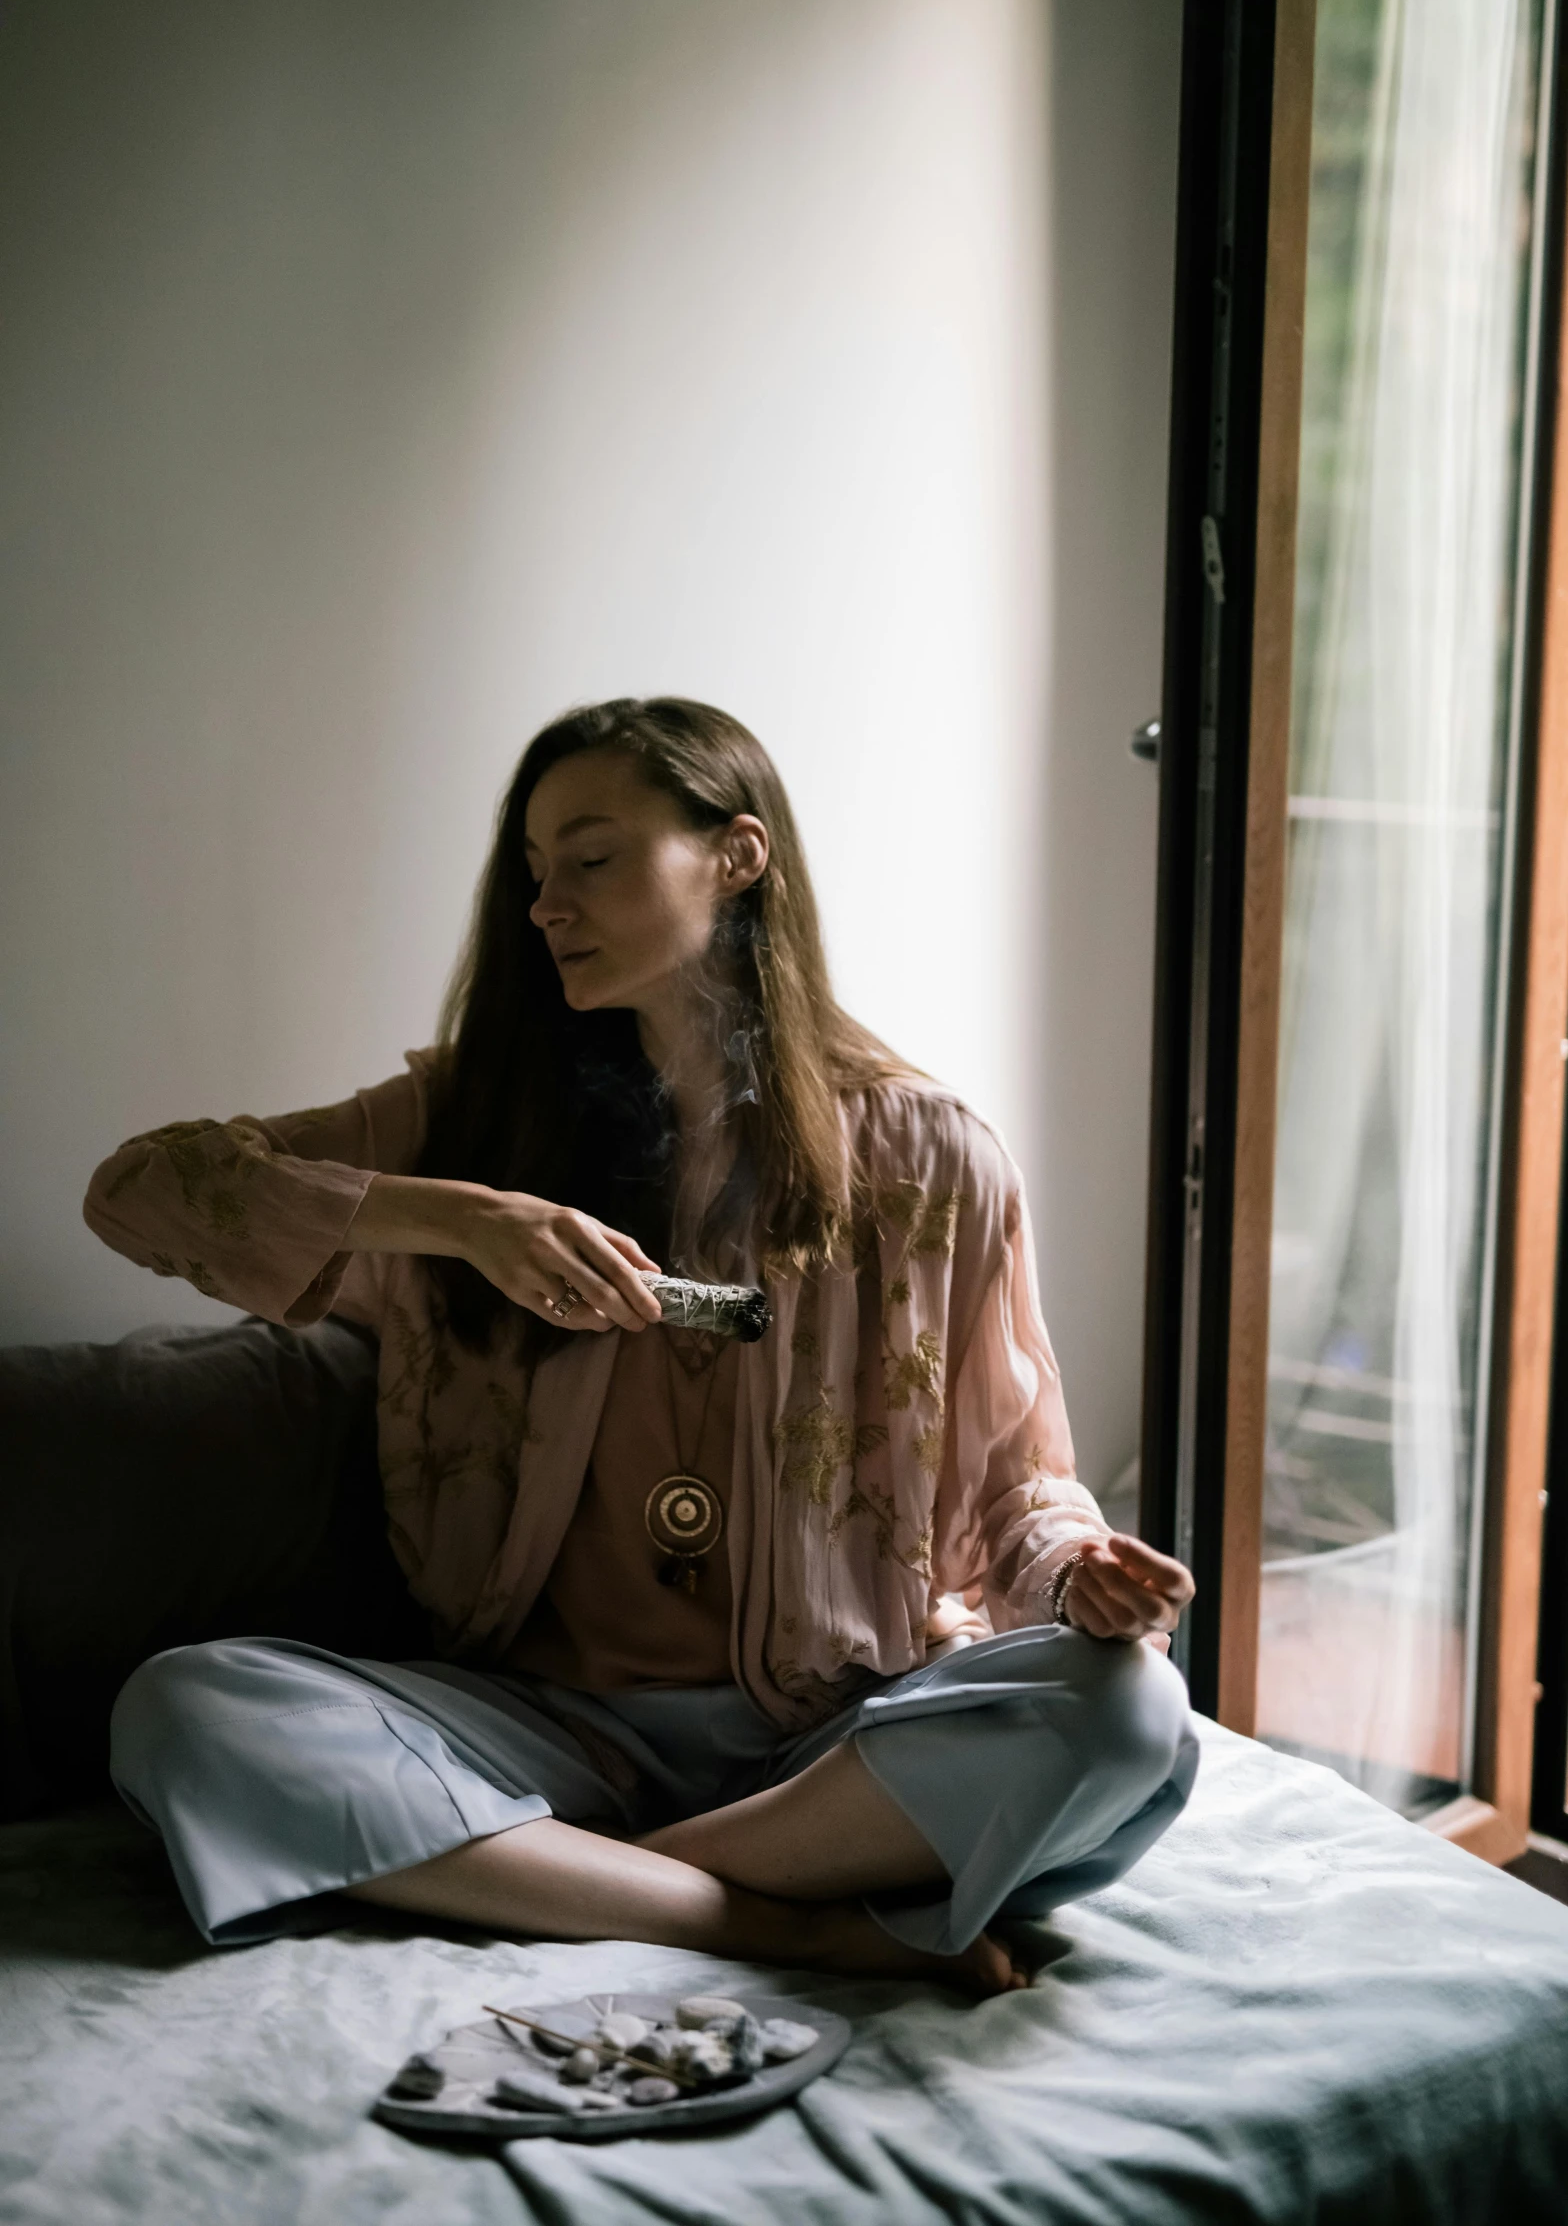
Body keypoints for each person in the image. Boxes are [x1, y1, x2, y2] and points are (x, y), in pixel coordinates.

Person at [88, 697, 1196, 1996]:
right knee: (185, 1706)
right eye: (535, 873)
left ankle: (562, 1879)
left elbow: (1019, 1484)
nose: (547, 905)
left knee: (1129, 1715)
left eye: (593, 859)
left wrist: (1080, 1577)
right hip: (532, 1729)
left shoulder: (931, 1157)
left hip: (824, 1744)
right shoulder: (466, 1125)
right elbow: (139, 1191)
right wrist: (460, 1219)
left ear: (736, 856)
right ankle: (765, 1923)